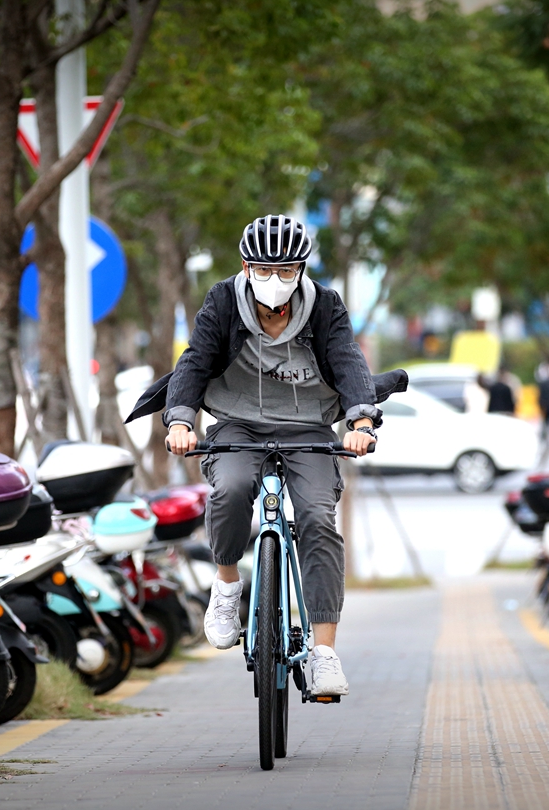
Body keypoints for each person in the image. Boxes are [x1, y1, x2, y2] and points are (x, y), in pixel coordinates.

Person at [160, 214, 386, 697]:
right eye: (264, 270)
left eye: (287, 271)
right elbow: (195, 360)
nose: (276, 281)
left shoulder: (325, 305)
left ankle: (324, 653)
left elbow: (347, 361)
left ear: (302, 269)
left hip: (308, 426)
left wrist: (360, 423)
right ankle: (225, 587)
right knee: (232, 487)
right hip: (238, 423)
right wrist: (180, 420)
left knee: (318, 521)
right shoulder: (222, 301)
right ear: (246, 267)